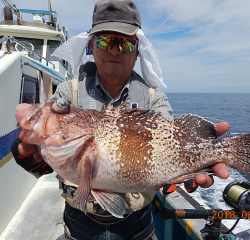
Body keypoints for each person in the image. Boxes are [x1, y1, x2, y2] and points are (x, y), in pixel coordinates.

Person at [12, 0, 230, 239]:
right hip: (78, 222)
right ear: (91, 46)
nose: (114, 50)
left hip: (137, 224)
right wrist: (29, 154)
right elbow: (45, 153)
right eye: (105, 41)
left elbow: (171, 145)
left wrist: (206, 158)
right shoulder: (66, 94)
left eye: (124, 43)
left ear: (138, 51)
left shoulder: (155, 99)